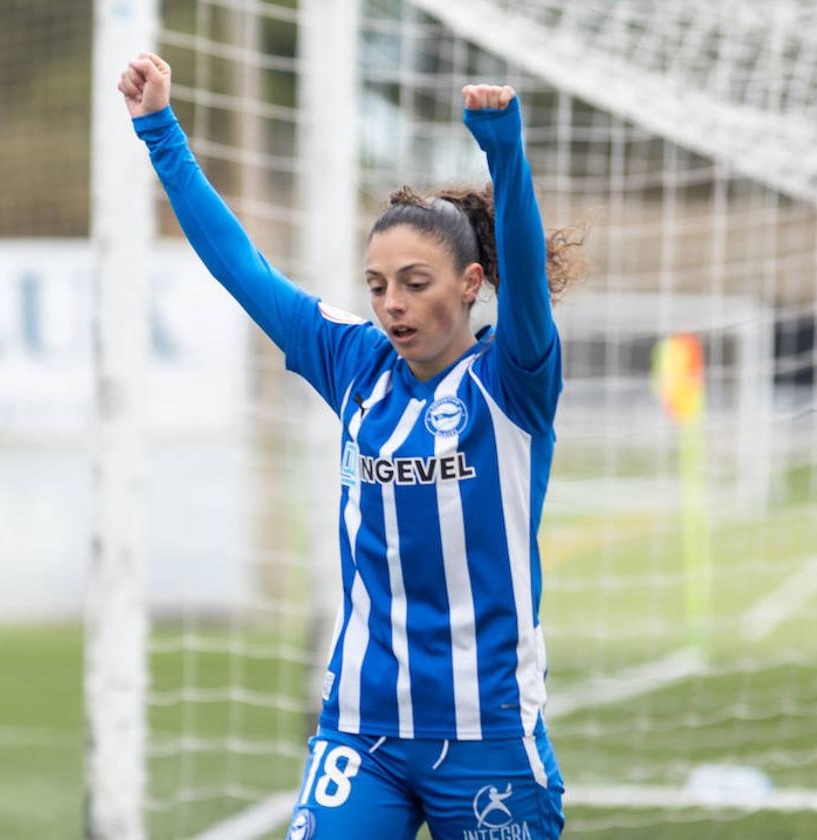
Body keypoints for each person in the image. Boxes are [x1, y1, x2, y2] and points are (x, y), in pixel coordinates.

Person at [120, 53, 584, 838]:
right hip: (361, 729)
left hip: (488, 731)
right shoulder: (355, 363)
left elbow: (531, 288)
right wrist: (160, 131)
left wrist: (503, 150)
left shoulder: (513, 380)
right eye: (376, 286)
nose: (392, 305)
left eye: (414, 282)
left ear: (470, 284)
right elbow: (241, 267)